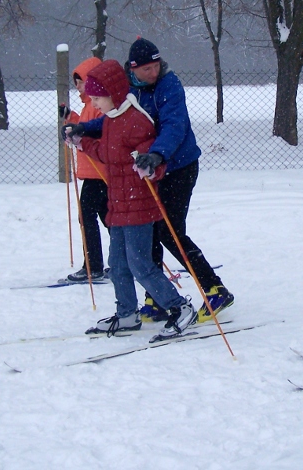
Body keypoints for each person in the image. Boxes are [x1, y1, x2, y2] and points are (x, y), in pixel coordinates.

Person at [77, 37, 234, 324]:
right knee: (147, 229)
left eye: (156, 66)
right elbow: (114, 119)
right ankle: (155, 298)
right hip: (148, 168)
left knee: (168, 230)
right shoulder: (126, 89)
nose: (154, 72)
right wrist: (84, 128)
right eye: (147, 68)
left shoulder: (168, 85)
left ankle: (214, 288)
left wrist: (158, 155)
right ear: (132, 69)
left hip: (177, 165)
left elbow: (174, 124)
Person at [62, 59, 197, 341]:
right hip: (119, 204)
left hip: (139, 205)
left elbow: (155, 159)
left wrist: (151, 164)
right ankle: (126, 314)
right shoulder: (111, 121)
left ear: (113, 94)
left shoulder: (136, 120)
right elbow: (107, 156)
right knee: (118, 264)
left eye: (98, 97)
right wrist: (81, 140)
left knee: (139, 264)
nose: (94, 103)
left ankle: (179, 307)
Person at [59, 57, 109, 283]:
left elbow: (97, 131)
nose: (77, 87)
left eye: (80, 82)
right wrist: (71, 119)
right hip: (91, 171)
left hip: (99, 172)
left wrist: (79, 134)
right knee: (105, 218)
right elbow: (85, 124)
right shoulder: (89, 105)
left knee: (89, 217)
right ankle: (125, 259)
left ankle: (94, 265)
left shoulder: (98, 105)